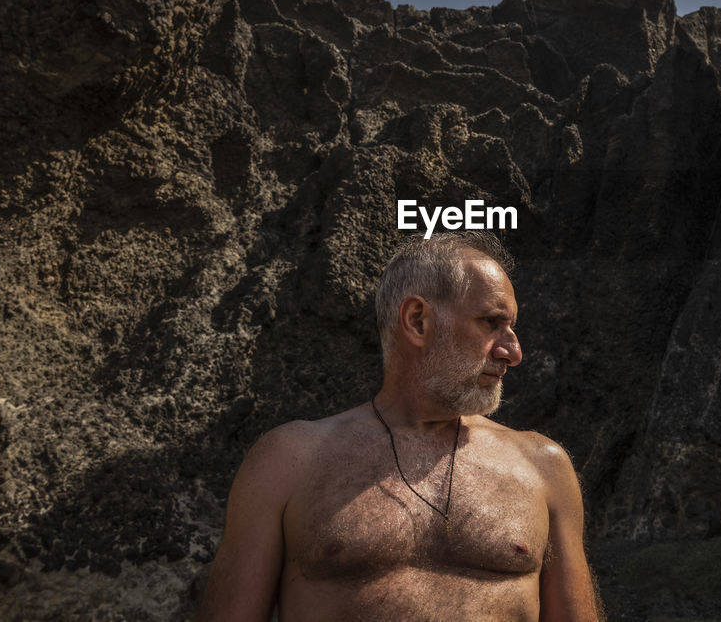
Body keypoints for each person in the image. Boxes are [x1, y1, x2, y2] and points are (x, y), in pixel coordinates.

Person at [195, 232, 603, 621]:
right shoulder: (288, 461)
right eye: (491, 322)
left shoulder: (543, 467)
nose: (512, 352)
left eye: (511, 328)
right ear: (417, 321)